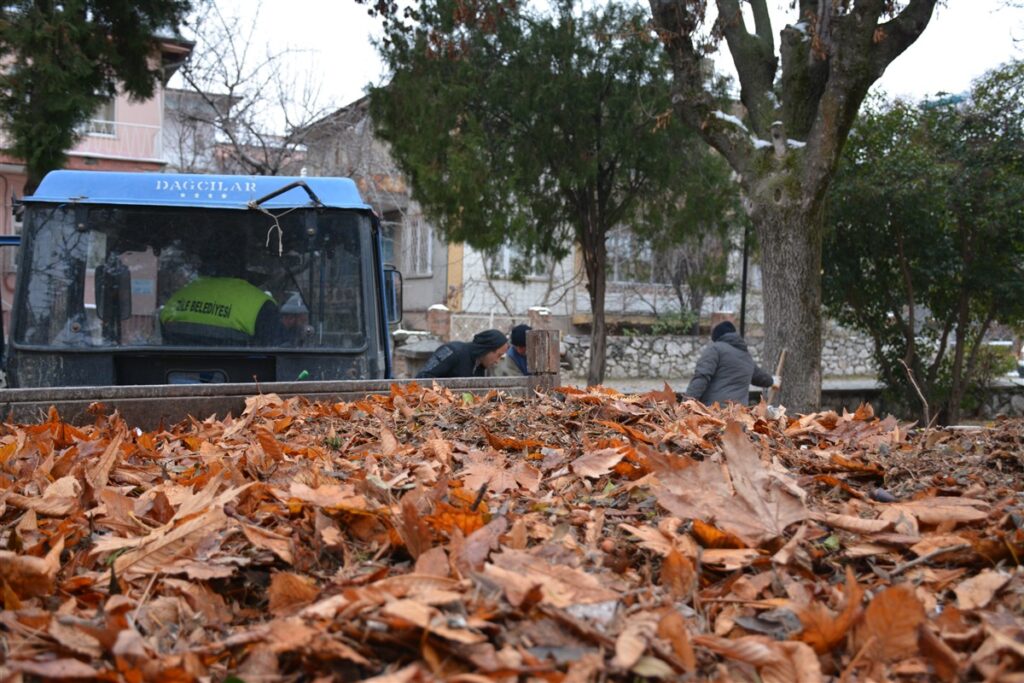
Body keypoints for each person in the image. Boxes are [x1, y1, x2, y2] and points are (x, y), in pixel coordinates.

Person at [160, 273, 281, 345]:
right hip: (239, 385)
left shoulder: (178, 297)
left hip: (173, 385)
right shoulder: (261, 304)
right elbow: (280, 354)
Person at [683, 320, 777, 405]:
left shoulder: (715, 349)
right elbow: (760, 377)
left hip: (714, 412)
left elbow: (701, 378)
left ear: (717, 337)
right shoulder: (746, 357)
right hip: (739, 415)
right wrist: (772, 381)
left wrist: (685, 405)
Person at [416, 329, 509, 379]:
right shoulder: (452, 351)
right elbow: (423, 378)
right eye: (498, 355)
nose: (497, 361)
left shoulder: (480, 366)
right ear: (487, 349)